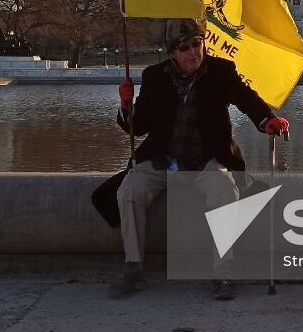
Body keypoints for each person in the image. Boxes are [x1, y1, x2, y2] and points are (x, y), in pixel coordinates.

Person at [109, 18, 290, 300]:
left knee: (225, 191)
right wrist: (124, 105)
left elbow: (246, 98)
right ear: (172, 52)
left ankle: (223, 271)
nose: (193, 52)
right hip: (162, 160)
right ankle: (133, 267)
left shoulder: (220, 71)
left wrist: (267, 119)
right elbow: (139, 126)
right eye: (184, 47)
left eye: (197, 44)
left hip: (206, 160)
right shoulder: (154, 76)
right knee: (128, 192)